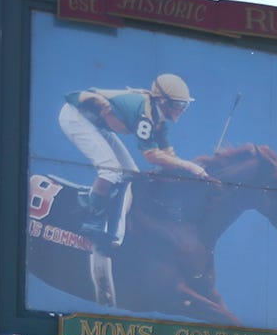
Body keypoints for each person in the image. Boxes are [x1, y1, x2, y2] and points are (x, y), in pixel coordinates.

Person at [57, 73, 212, 245]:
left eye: (185, 105)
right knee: (110, 169)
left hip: (96, 122)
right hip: (76, 117)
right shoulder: (145, 114)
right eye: (179, 104)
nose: (182, 109)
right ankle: (92, 220)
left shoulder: (158, 118)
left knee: (132, 175)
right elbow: (151, 155)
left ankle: (111, 219)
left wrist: (187, 172)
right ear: (163, 101)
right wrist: (189, 167)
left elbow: (169, 156)